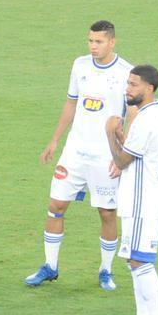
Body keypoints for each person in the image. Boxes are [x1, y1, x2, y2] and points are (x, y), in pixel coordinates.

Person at [25, 21, 133, 291]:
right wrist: (54, 140)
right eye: (90, 41)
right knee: (56, 206)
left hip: (105, 155)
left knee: (107, 213)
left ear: (112, 42)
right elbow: (71, 102)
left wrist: (121, 156)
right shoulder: (80, 65)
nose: (93, 46)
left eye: (98, 41)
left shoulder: (126, 72)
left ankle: (106, 271)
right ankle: (50, 266)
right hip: (74, 152)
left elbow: (131, 115)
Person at [105, 66, 158, 315]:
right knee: (134, 262)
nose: (127, 89)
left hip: (145, 203)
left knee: (142, 263)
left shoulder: (147, 120)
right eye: (127, 84)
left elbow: (121, 162)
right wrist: (121, 136)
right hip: (139, 200)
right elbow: (133, 151)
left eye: (133, 85)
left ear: (149, 88)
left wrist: (110, 134)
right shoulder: (156, 112)